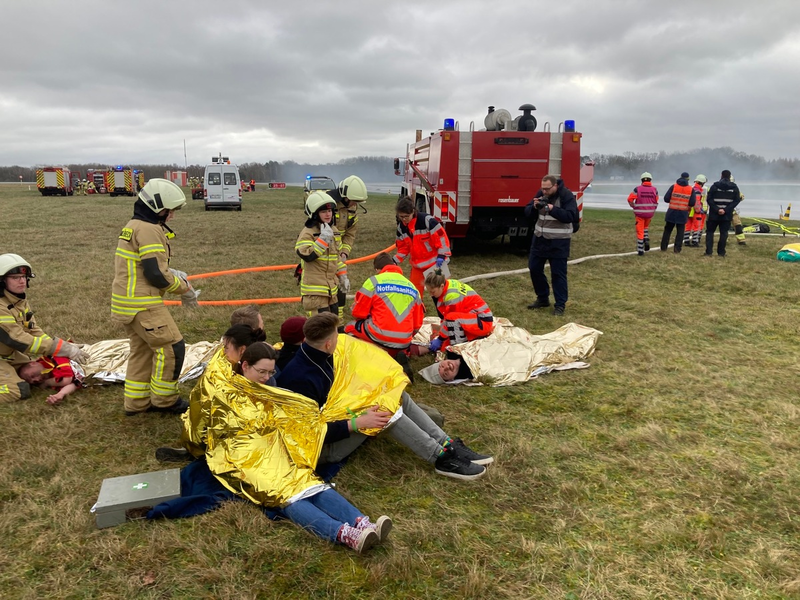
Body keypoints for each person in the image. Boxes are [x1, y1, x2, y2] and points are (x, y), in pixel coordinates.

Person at [277, 313, 491, 480]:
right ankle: (440, 458)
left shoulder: (317, 355)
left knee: (395, 396)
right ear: (327, 344)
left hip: (336, 416)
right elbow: (307, 432)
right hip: (321, 447)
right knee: (386, 413)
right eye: (336, 337)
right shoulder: (301, 379)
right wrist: (357, 422)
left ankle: (446, 443)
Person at [111, 178, 196, 416]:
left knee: (143, 351)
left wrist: (171, 273)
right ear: (158, 207)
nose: (172, 216)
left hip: (126, 302)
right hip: (143, 303)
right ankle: (165, 400)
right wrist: (184, 288)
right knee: (171, 347)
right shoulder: (149, 230)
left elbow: (147, 267)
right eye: (170, 211)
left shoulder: (134, 224)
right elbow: (155, 274)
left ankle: (136, 404)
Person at [0, 254, 88, 402]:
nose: (22, 281)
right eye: (15, 277)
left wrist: (61, 347)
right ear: (2, 281)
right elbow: (18, 339)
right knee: (19, 390)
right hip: (6, 352)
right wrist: (60, 348)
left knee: (35, 371)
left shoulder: (18, 300)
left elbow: (33, 331)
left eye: (23, 276)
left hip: (7, 355)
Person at [345, 252, 423, 380]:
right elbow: (417, 324)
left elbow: (358, 313)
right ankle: (397, 354)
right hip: (404, 340)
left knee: (350, 327)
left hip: (378, 334)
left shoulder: (374, 282)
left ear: (377, 269)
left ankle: (365, 359)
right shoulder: (411, 286)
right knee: (390, 341)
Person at [524, 174, 578, 316]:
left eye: (547, 189)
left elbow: (571, 216)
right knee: (534, 268)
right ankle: (542, 298)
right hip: (540, 239)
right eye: (543, 189)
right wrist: (534, 207)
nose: (544, 192)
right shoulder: (541, 193)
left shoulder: (566, 196)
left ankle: (560, 305)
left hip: (559, 241)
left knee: (558, 274)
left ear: (555, 186)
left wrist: (551, 209)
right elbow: (527, 211)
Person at [295, 191, 349, 317]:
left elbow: (337, 258)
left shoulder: (334, 231)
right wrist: (322, 240)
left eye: (330, 211)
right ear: (315, 214)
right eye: (323, 211)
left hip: (331, 288)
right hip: (315, 290)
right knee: (321, 329)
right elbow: (306, 255)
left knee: (334, 322)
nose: (328, 214)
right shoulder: (308, 232)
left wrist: (343, 277)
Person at [325, 175, 368, 319]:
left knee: (341, 288)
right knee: (325, 287)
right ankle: (326, 318)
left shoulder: (351, 210)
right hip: (323, 251)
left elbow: (350, 234)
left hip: (338, 252)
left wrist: (344, 253)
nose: (355, 204)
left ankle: (339, 320)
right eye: (353, 201)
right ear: (344, 197)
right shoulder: (327, 206)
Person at [423, 270, 493, 354]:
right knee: (445, 344)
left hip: (482, 323)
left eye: (433, 292)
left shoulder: (452, 296)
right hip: (476, 318)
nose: (431, 295)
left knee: (452, 320)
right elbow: (446, 317)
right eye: (429, 291)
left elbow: (450, 320)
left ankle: (458, 353)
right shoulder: (448, 284)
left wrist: (440, 339)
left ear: (441, 286)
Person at [393, 196, 452, 295]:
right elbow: (403, 248)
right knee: (413, 293)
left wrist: (442, 256)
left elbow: (442, 239)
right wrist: (394, 260)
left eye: (406, 216)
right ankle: (418, 309)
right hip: (417, 267)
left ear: (413, 212)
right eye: (401, 217)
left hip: (436, 264)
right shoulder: (401, 228)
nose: (403, 219)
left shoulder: (427, 221)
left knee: (443, 291)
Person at [17, 355, 83, 405]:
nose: (36, 379)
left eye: (32, 375)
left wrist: (47, 383)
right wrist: (60, 395)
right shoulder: (52, 378)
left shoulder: (53, 358)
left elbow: (67, 379)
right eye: (33, 381)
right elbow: (75, 383)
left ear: (33, 363)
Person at [704, 170, 742, 257]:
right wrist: (726, 209)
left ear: (721, 175)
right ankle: (721, 252)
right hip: (726, 215)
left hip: (714, 214)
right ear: (729, 177)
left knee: (710, 232)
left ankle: (709, 252)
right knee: (724, 233)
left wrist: (717, 209)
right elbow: (736, 200)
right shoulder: (734, 187)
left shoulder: (715, 186)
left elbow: (709, 199)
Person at [660, 172, 697, 254]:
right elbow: (692, 203)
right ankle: (677, 249)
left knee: (667, 230)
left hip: (672, 211)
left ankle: (663, 247)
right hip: (683, 212)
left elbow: (666, 198)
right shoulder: (690, 189)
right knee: (680, 232)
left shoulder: (674, 186)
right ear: (688, 179)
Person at [626, 172, 659, 256]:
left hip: (640, 214)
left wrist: (633, 206)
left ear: (642, 180)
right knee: (646, 227)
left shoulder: (637, 189)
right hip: (650, 213)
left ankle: (640, 250)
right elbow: (656, 200)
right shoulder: (655, 189)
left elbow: (630, 199)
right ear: (650, 180)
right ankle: (646, 238)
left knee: (640, 231)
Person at [685, 175, 708, 247]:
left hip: (688, 211)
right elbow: (697, 202)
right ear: (702, 183)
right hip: (695, 211)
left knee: (688, 226)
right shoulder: (697, 190)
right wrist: (699, 211)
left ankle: (686, 241)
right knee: (697, 226)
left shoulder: (691, 188)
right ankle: (695, 241)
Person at [729, 176, 747, 246]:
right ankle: (724, 240)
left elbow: (742, 196)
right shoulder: (722, 189)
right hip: (727, 211)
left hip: (733, 212)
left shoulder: (735, 189)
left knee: (738, 226)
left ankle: (741, 241)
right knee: (725, 227)